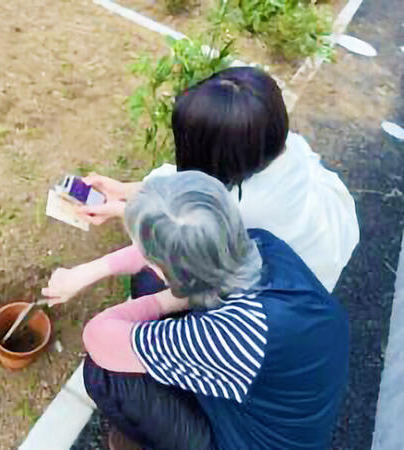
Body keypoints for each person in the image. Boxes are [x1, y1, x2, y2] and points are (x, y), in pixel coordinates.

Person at [43, 171, 349, 450]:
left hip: (250, 441)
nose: (147, 261)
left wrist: (165, 301)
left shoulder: (232, 333)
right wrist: (85, 273)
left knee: (106, 373)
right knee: (149, 286)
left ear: (181, 274)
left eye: (154, 261)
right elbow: (169, 252)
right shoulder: (261, 245)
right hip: (275, 402)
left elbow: (97, 338)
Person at [77, 67, 359, 294]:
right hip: (323, 239)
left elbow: (178, 228)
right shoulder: (275, 146)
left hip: (289, 287)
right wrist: (123, 189)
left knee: (151, 283)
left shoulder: (245, 209)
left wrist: (119, 209)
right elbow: (188, 187)